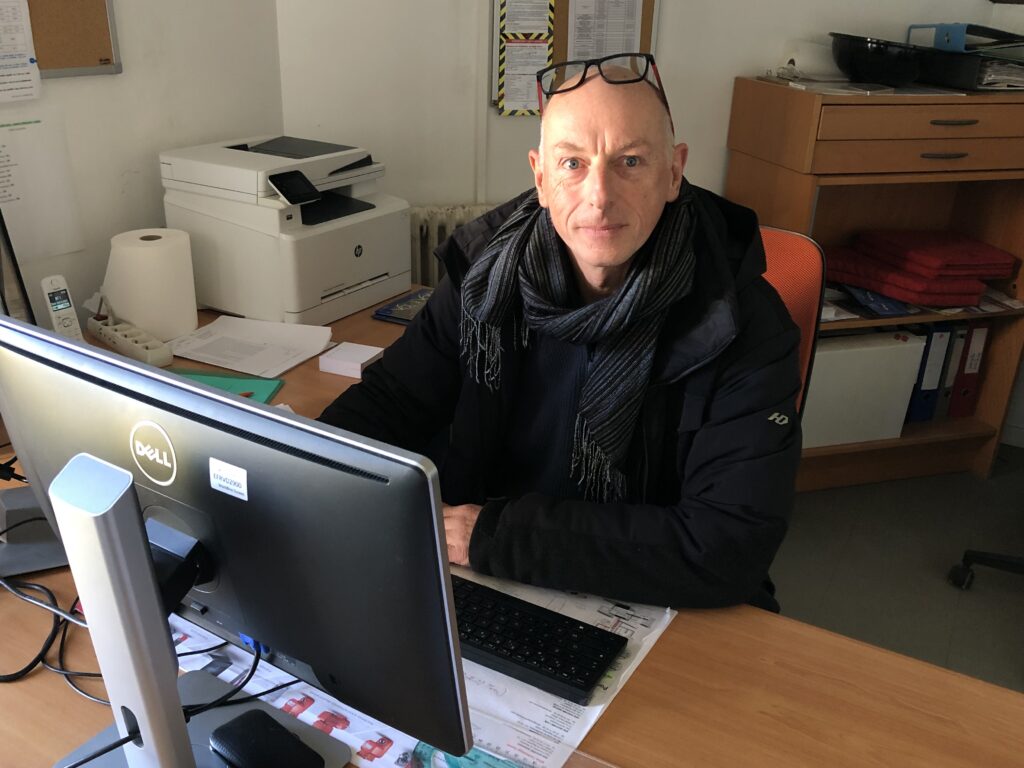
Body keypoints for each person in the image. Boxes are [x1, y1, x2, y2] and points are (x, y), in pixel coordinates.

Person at [319, 53, 801, 611]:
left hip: (649, 598)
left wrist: (496, 537)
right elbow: (396, 399)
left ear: (674, 172)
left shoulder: (742, 324)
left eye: (630, 161)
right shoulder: (484, 276)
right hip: (488, 576)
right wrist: (303, 471)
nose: (599, 196)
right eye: (572, 163)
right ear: (541, 177)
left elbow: (726, 544)